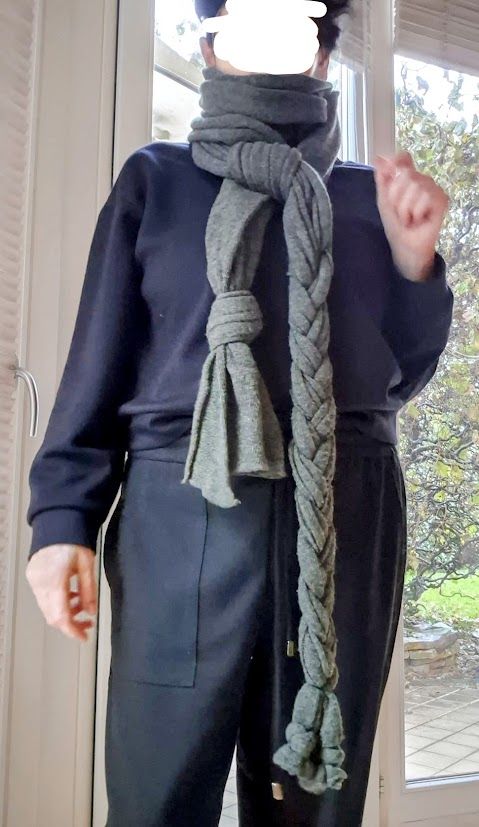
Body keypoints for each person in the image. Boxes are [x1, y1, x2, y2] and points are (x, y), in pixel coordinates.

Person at [25, 1, 454, 824]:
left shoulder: (365, 199)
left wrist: (414, 263)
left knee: (315, 795)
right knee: (157, 789)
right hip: (178, 508)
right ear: (209, 44)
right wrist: (60, 522)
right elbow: (98, 360)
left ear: (322, 57)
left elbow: (399, 381)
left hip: (343, 507)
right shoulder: (155, 180)